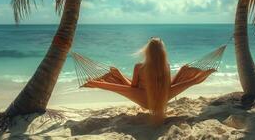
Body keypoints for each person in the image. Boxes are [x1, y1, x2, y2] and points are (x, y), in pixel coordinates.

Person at [84, 37, 214, 125]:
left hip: (145, 100)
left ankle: (95, 83)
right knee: (188, 78)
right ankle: (198, 78)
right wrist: (182, 72)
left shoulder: (139, 67)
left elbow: (132, 87)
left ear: (147, 51)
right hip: (162, 98)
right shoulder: (166, 66)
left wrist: (118, 75)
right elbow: (169, 87)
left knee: (123, 83)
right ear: (162, 52)